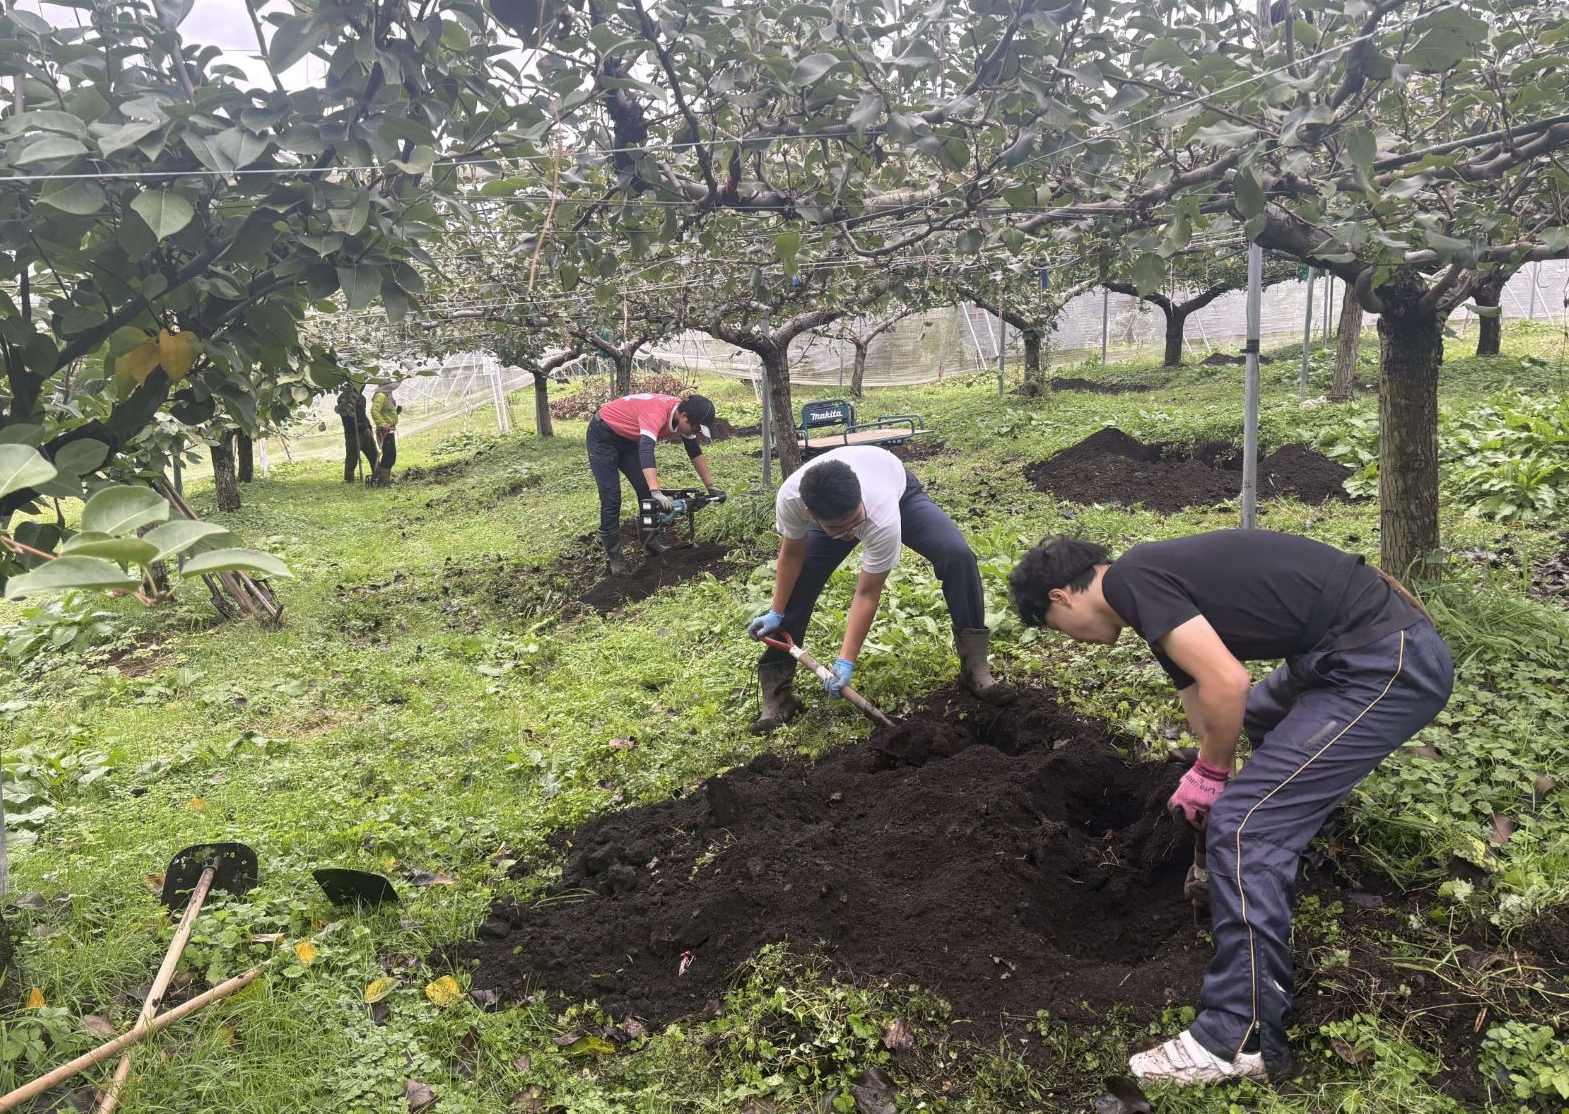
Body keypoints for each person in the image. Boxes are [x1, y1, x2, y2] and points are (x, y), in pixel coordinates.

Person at [1006, 530, 1450, 1087]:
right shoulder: (1146, 598)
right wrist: (1210, 782)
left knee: (1249, 828)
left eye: (1059, 633)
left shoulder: (1133, 579)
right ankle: (1277, 837)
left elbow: (1229, 681)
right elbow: (1207, 708)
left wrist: (1218, 785)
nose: (1074, 641)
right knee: (1259, 732)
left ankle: (1237, 1039)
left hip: (1384, 662)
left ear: (1060, 598)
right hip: (1341, 653)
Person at [747, 445, 1016, 735]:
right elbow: (791, 557)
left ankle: (975, 669)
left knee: (957, 555)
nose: (851, 533)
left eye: (854, 523)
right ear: (811, 514)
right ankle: (778, 697)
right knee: (797, 586)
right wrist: (776, 611)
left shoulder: (879, 515)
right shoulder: (792, 498)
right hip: (841, 505)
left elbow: (867, 593)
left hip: (897, 490)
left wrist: (845, 661)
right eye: (840, 528)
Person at [586, 392, 722, 574]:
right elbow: (646, 448)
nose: (695, 432)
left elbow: (694, 450)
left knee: (644, 491)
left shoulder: (683, 416)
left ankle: (650, 543)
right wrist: (656, 490)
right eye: (695, 428)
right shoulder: (656, 413)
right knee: (611, 495)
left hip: (628, 438)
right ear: (683, 416)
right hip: (603, 434)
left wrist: (710, 486)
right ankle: (615, 557)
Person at [335, 377, 378, 484]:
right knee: (352, 456)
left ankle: (377, 475)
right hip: (353, 432)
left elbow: (363, 414)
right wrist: (353, 425)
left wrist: (369, 427)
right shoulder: (344, 398)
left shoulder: (362, 398)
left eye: (363, 384)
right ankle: (349, 479)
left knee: (374, 454)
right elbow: (345, 416)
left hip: (365, 430)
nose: (362, 386)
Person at [370, 381, 400, 485]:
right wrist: (382, 423)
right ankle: (383, 482)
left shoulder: (388, 395)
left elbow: (387, 411)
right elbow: (374, 411)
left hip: (389, 430)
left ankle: (383, 480)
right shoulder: (381, 395)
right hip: (384, 431)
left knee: (390, 455)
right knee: (389, 455)